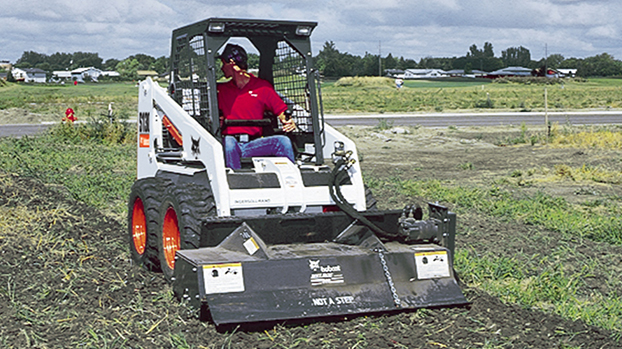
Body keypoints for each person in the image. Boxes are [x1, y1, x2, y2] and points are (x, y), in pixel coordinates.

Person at [217, 44, 297, 169]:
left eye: (223, 63)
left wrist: (288, 122)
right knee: (229, 143)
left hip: (253, 143)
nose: (222, 68)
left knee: (283, 142)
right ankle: (235, 180)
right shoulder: (221, 90)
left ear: (231, 63)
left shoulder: (262, 87)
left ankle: (290, 178)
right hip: (231, 143)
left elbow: (281, 110)